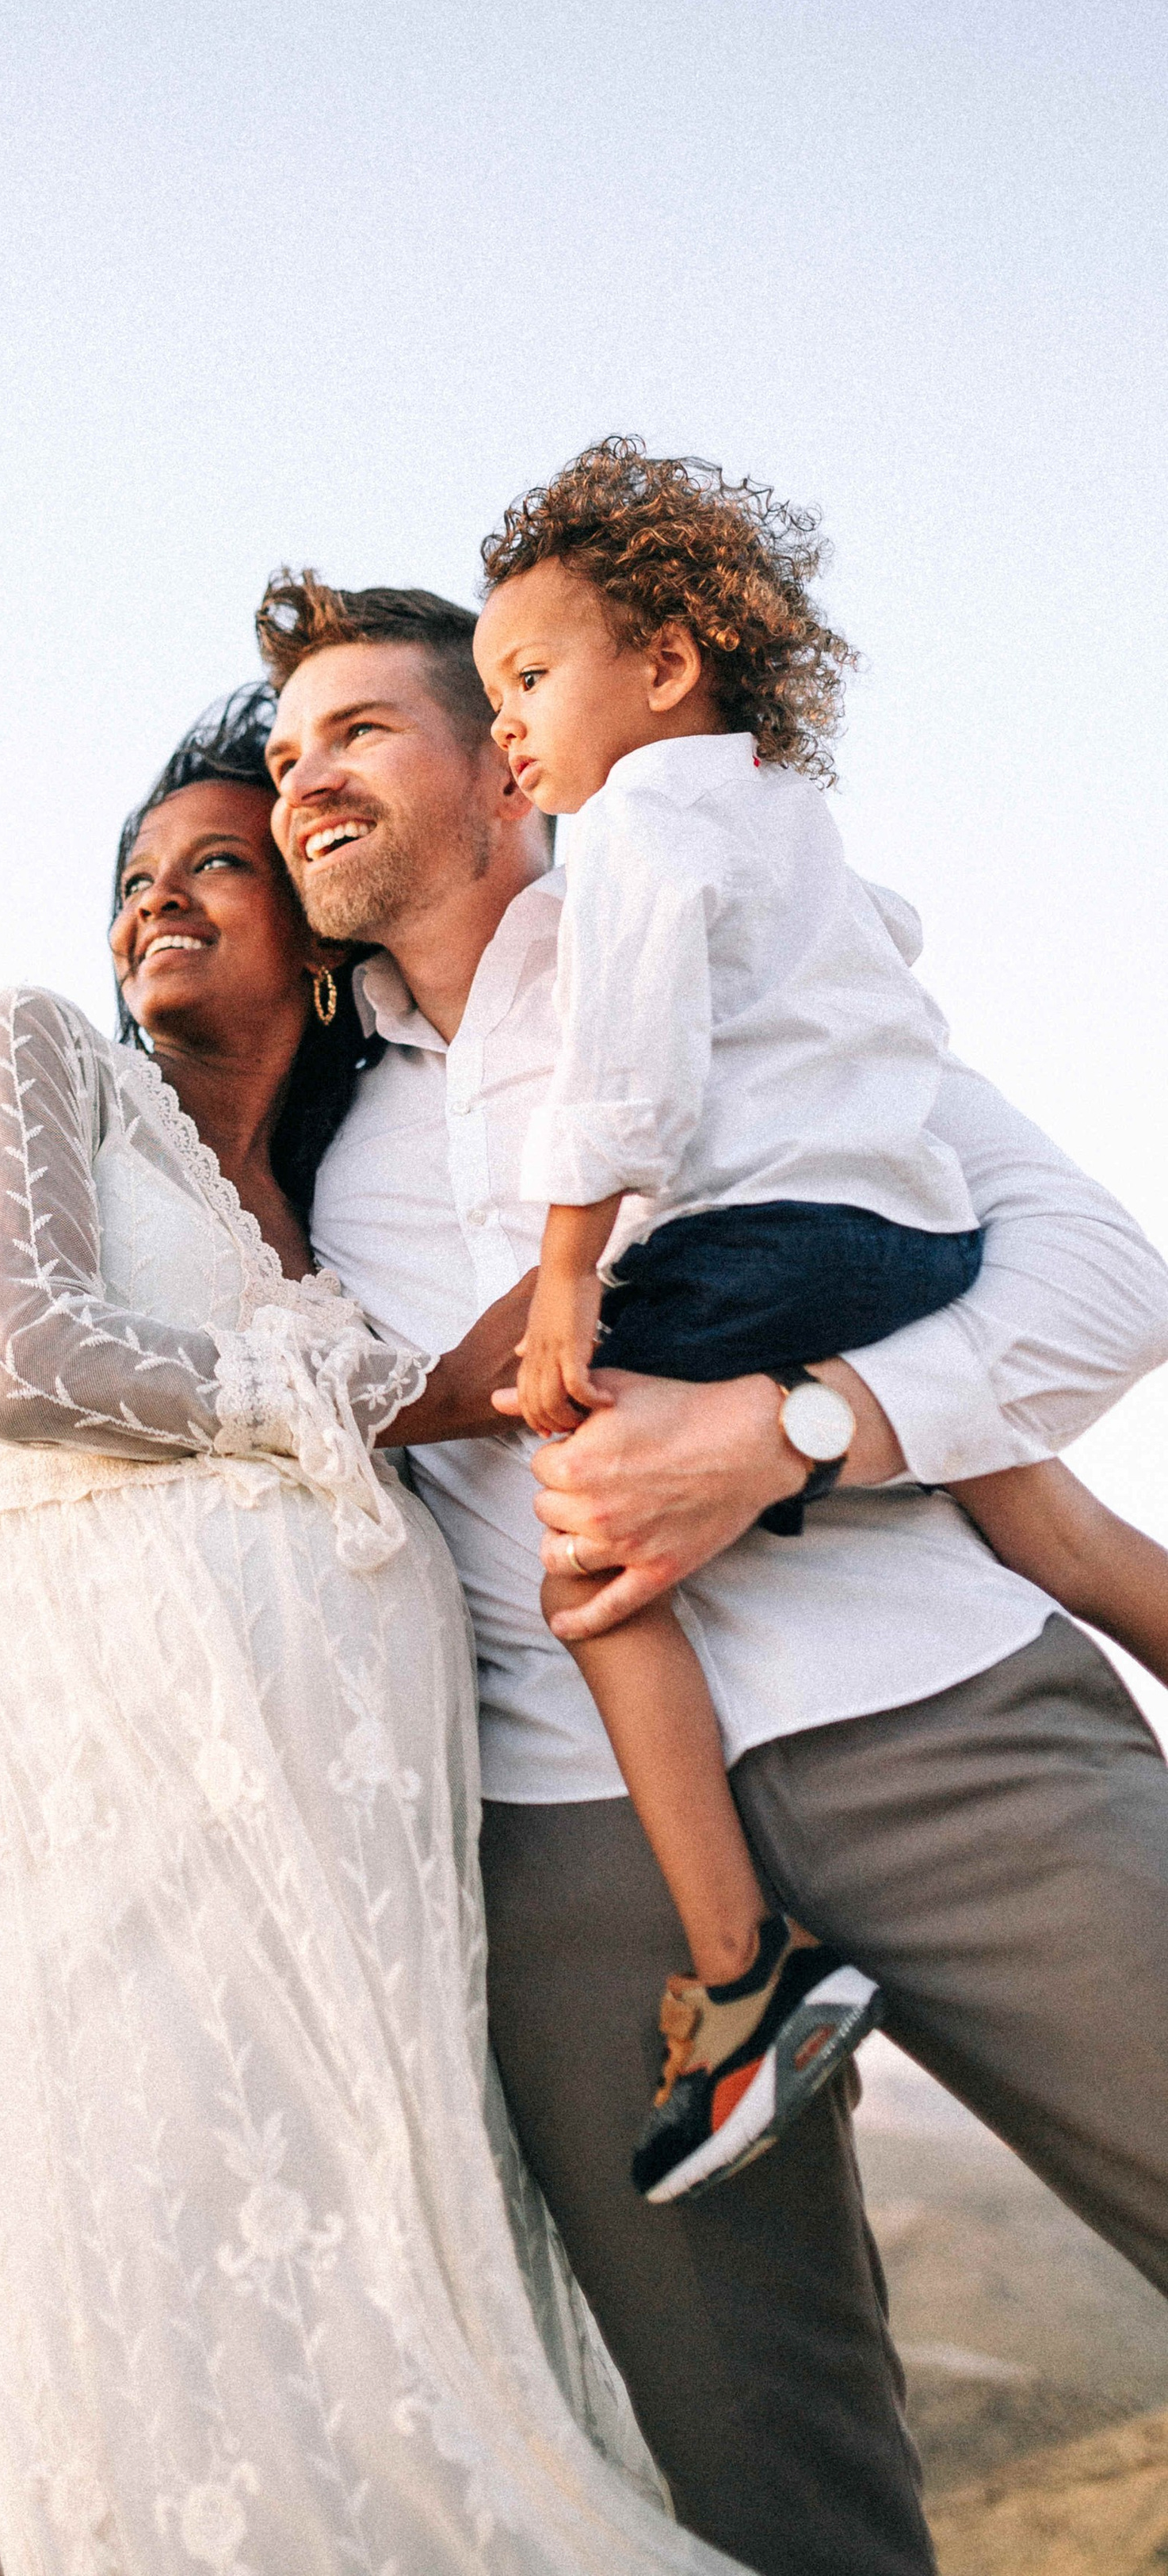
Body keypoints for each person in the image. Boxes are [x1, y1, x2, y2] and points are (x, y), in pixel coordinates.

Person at [257, 494, 1168, 2576]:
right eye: (282, 756)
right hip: (590, 1870)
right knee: (778, 2508)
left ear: (509, 762)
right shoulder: (303, 1148)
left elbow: (1110, 1278)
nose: (305, 778)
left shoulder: (740, 965)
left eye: (356, 732)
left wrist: (793, 1433)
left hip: (937, 1715)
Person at [0, 690, 744, 2576]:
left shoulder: (359, 1206)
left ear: (307, 909)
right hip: (98, 1890)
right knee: (198, 2395)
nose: (158, 904)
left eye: (217, 863)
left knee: (413, 2354)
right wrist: (367, 1406)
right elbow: (27, 1358)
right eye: (135, 877)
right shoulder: (44, 1058)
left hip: (361, 1909)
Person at [471, 454, 1168, 2208]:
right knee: (1045, 1519)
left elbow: (621, 1089)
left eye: (526, 684)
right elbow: (880, 974)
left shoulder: (635, 828)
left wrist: (564, 1286)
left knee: (584, 1547)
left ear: (669, 659)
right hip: (898, 1234)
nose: (510, 735)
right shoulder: (784, 813)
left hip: (772, 1251)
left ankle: (737, 1974)